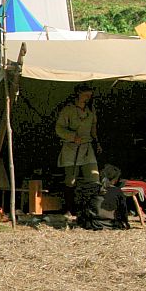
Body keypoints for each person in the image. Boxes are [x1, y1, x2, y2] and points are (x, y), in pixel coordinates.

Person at [56, 84, 100, 212]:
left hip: (87, 148)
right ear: (78, 94)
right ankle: (69, 209)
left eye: (90, 95)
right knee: (71, 180)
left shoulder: (90, 110)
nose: (88, 98)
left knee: (93, 178)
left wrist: (97, 143)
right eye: (85, 95)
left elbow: (93, 129)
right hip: (71, 148)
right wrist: (72, 136)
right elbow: (59, 128)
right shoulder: (68, 110)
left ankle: (92, 209)